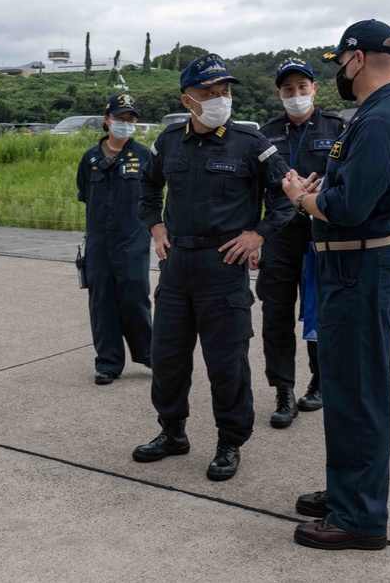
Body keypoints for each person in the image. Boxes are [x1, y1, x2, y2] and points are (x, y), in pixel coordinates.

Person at [282, 20, 390, 549]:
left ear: (357, 59)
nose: (339, 73)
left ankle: (359, 519)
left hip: (364, 270)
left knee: (359, 394)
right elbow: (350, 191)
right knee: (344, 390)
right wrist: (323, 191)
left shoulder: (382, 119)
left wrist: (302, 197)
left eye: (339, 63)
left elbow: (348, 208)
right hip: (351, 266)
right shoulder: (374, 115)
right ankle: (348, 490)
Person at [133, 54, 293, 481]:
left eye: (225, 91)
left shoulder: (252, 144)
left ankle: (229, 442)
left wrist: (258, 235)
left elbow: (285, 198)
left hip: (223, 269)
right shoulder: (168, 142)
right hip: (176, 267)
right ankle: (172, 433)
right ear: (189, 100)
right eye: (210, 93)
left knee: (227, 364)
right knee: (167, 359)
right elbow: (148, 186)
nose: (221, 99)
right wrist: (155, 225)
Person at [256, 57, 345, 428]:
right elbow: (253, 188)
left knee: (319, 313)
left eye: (302, 88)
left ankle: (320, 382)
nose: (296, 95)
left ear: (314, 89)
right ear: (279, 93)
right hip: (278, 237)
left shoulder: (338, 128)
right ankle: (283, 391)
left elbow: (346, 181)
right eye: (288, 89)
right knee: (275, 316)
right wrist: (254, 236)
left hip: (320, 238)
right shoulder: (265, 134)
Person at [76, 93, 153, 385]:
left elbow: (154, 194)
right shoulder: (90, 158)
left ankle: (148, 354)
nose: (125, 123)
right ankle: (108, 362)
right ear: (107, 120)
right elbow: (85, 194)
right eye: (120, 118)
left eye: (130, 119)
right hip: (98, 238)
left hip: (133, 235)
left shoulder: (144, 155)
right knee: (102, 300)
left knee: (135, 296)